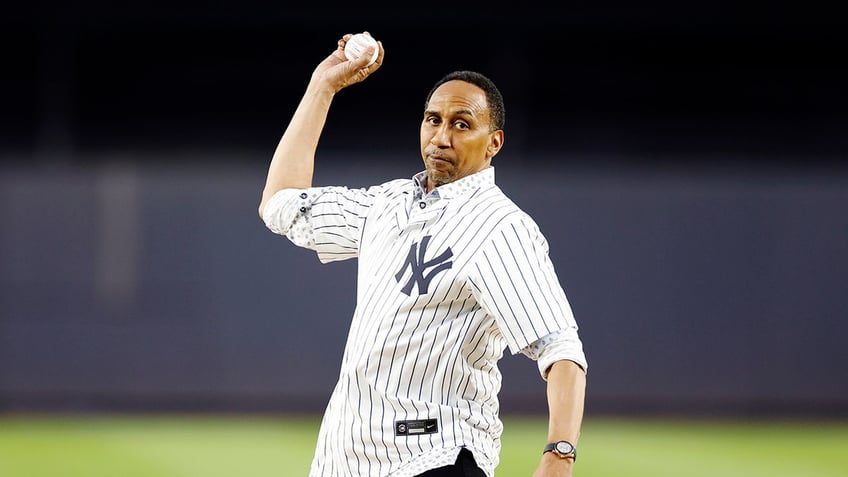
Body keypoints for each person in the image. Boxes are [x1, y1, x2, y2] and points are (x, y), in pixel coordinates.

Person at [258, 32, 588, 477]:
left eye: (462, 123)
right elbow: (280, 204)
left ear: (494, 143)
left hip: (437, 454)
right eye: (433, 119)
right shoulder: (388, 204)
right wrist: (323, 86)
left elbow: (561, 349)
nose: (441, 135)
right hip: (348, 458)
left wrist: (559, 456)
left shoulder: (499, 226)